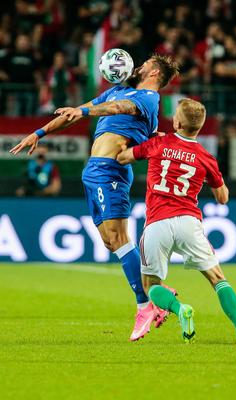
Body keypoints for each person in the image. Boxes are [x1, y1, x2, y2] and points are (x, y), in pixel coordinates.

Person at [10, 54, 178, 341]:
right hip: (94, 172)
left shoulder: (148, 98)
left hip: (110, 170)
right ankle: (159, 294)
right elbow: (76, 111)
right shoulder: (117, 89)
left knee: (119, 237)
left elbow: (115, 108)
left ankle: (145, 305)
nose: (140, 64)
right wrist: (38, 133)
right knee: (110, 241)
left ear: (155, 73)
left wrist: (87, 113)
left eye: (147, 63)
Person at [117, 98, 236, 345]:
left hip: (157, 223)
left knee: (151, 285)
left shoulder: (158, 144)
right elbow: (223, 198)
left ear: (178, 122)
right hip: (188, 222)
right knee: (218, 278)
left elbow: (122, 157)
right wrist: (209, 179)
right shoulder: (205, 157)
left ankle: (179, 307)